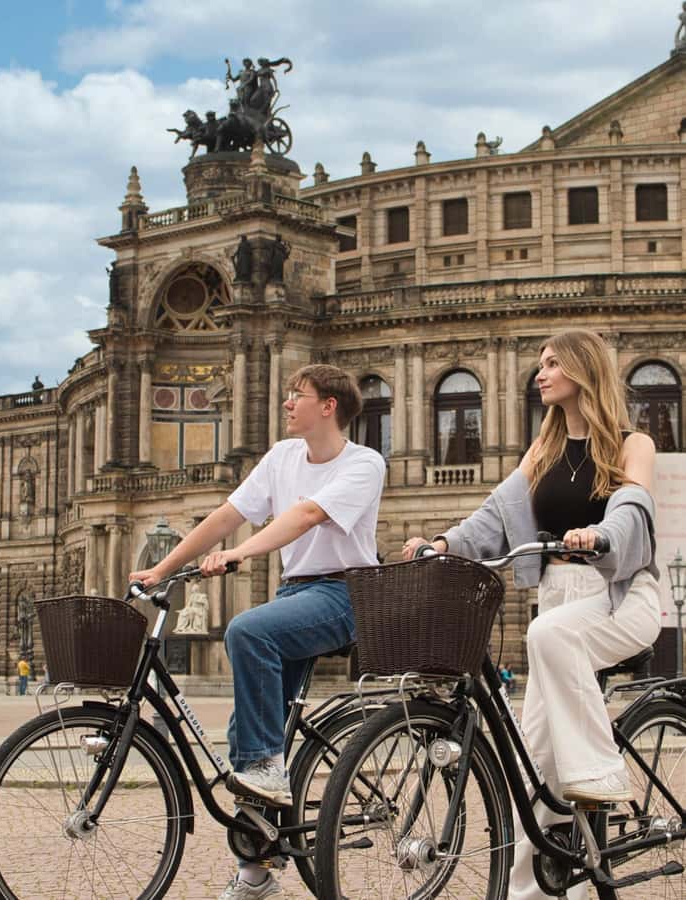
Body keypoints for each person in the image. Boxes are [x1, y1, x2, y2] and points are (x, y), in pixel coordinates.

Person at [402, 329, 661, 900]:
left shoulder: (631, 443)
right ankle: (533, 892)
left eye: (552, 364)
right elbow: (494, 516)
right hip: (557, 597)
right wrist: (442, 544)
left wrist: (600, 535)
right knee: (536, 764)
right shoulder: (541, 452)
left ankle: (601, 773)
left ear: (583, 369)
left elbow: (632, 507)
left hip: (620, 596)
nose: (540, 374)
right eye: (540, 364)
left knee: (548, 635)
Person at [129, 364, 385, 900]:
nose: (287, 403)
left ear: (329, 406)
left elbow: (307, 515)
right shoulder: (282, 457)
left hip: (345, 594)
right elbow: (226, 516)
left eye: (297, 395)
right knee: (247, 735)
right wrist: (162, 569)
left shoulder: (364, 463)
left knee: (247, 632)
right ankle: (257, 871)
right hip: (296, 596)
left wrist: (240, 553)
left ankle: (269, 769)